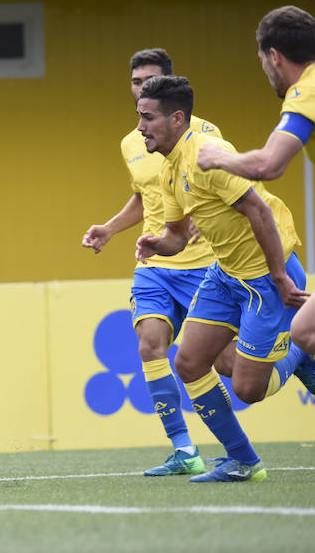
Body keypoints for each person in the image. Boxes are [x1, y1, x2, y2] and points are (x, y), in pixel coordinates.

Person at [135, 75, 310, 482]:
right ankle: (244, 461)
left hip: (267, 276)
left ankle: (301, 350)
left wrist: (280, 276)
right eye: (139, 117)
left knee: (248, 388)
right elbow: (177, 237)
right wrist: (156, 244)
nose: (140, 127)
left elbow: (260, 213)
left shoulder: (209, 155)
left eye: (148, 118)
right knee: (190, 361)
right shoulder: (167, 170)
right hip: (226, 275)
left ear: (177, 118)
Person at [83, 49, 224, 477]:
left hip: (202, 264)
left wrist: (203, 218)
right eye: (135, 81)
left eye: (150, 79)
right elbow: (145, 196)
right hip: (154, 261)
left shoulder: (205, 133)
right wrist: (110, 228)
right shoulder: (132, 141)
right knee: (149, 344)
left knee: (233, 367)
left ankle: (297, 358)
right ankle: (184, 448)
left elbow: (224, 182)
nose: (141, 87)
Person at [195, 6, 315, 383]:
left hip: (263, 274)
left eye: (262, 61)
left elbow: (268, 166)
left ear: (274, 56)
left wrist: (218, 158)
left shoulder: (305, 91)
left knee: (304, 332)